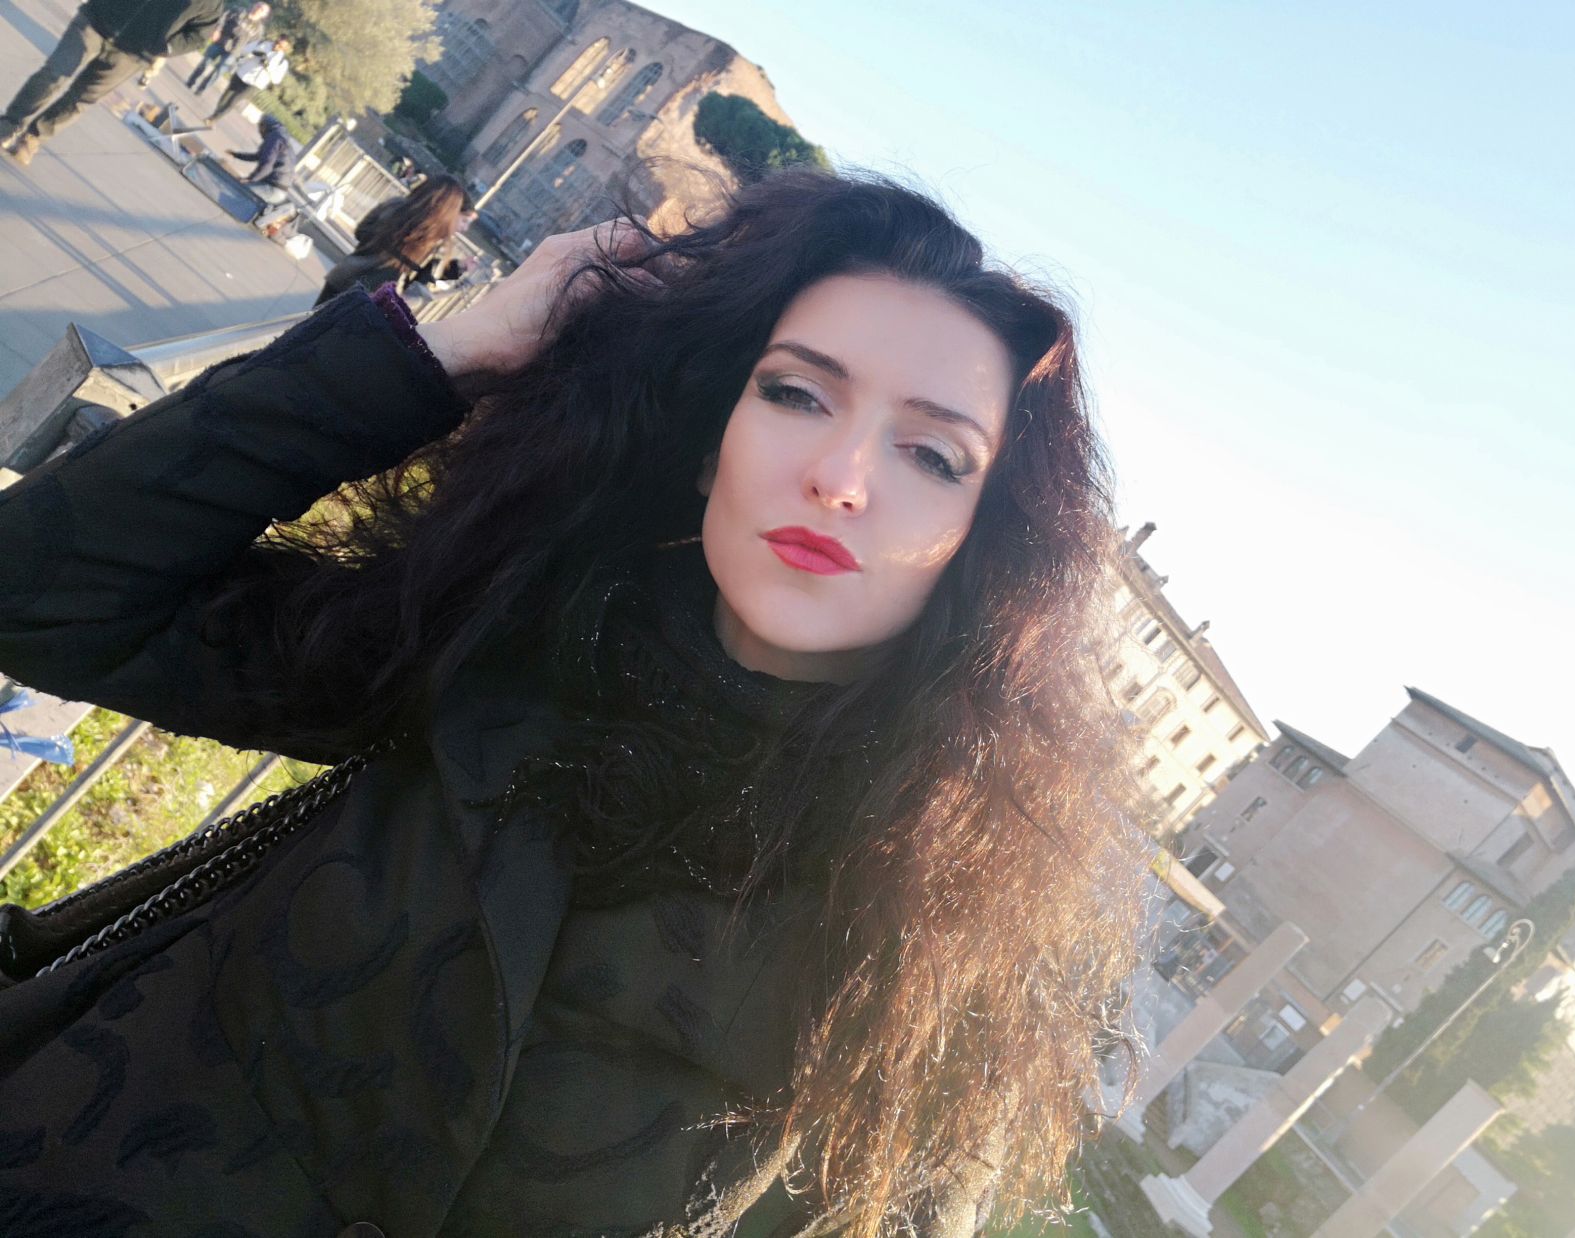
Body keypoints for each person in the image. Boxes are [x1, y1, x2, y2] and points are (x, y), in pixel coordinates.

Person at [0, 169, 1145, 1234]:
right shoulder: (493, 644)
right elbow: (50, 588)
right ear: (708, 444)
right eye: (796, 393)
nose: (840, 477)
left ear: (983, 545)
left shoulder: (938, 968)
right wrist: (443, 356)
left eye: (933, 456)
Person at [0, 0, 224, 166]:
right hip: (96, 20)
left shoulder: (213, 4)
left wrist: (164, 47)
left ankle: (34, 137)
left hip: (134, 53)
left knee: (82, 98)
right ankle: (10, 123)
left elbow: (198, 36)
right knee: (54, 73)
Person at [313, 173, 467, 306]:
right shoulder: (439, 241)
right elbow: (420, 287)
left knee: (309, 326)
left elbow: (360, 232)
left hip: (345, 276)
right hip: (374, 300)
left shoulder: (394, 205)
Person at [186, 0, 271, 95]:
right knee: (205, 62)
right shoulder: (239, 11)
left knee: (218, 72)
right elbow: (223, 18)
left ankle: (201, 89)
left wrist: (242, 54)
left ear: (264, 15)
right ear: (254, 5)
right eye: (258, 5)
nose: (258, 9)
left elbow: (252, 44)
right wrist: (217, 30)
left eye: (261, 9)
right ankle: (191, 81)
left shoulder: (258, 29)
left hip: (233, 52)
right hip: (221, 41)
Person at [230, 112, 296, 230]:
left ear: (264, 126)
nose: (259, 131)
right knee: (241, 188)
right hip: (278, 189)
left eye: (259, 127)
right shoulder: (281, 138)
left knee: (238, 190)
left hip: (273, 189)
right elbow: (259, 157)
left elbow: (267, 165)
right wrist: (236, 155)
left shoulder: (274, 138)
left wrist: (251, 179)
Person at [205, 31, 288, 125]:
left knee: (233, 101)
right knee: (225, 97)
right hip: (242, 73)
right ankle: (215, 114)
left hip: (254, 84)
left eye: (280, 46)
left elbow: (276, 80)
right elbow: (245, 50)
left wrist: (267, 66)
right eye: (277, 42)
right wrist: (255, 53)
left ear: (284, 49)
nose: (276, 46)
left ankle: (214, 119)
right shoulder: (263, 44)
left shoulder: (282, 62)